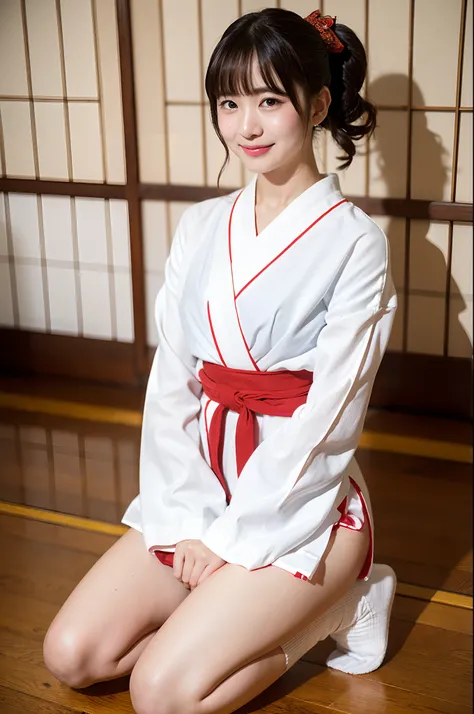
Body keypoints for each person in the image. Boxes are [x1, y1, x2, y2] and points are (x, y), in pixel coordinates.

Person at [43, 8, 398, 714]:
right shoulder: (202, 225)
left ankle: (344, 606)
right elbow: (171, 383)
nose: (248, 126)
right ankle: (215, 621)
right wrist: (189, 520)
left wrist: (234, 539)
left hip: (299, 505)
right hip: (201, 480)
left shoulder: (356, 242)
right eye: (230, 103)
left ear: (318, 104)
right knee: (73, 656)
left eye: (270, 101)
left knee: (162, 695)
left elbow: (327, 419)